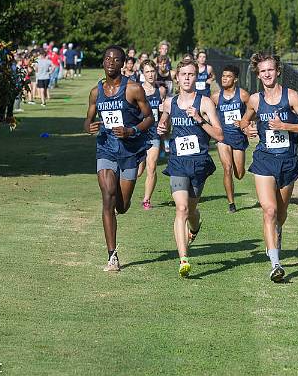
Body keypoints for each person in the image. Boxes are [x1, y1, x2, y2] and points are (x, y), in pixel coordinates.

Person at [238, 52, 298, 283]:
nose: (267, 74)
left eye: (270, 70)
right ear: (258, 74)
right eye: (263, 71)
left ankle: (276, 233)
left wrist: (286, 125)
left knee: (280, 215)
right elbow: (244, 120)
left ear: (278, 71)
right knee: (269, 210)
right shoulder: (255, 100)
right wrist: (247, 129)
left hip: (288, 161)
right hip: (264, 159)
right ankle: (275, 264)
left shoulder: (291, 97)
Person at [84, 46, 155, 272]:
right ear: (103, 61)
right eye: (107, 58)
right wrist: (89, 127)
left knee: (121, 206)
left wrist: (131, 131)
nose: (111, 62)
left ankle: (121, 205)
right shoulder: (96, 92)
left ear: (123, 63)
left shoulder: (133, 89)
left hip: (130, 151)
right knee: (107, 196)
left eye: (116, 59)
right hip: (106, 148)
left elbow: (149, 118)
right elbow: (88, 120)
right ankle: (112, 256)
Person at [157, 56, 224, 278]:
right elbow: (165, 128)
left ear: (197, 77)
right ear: (177, 77)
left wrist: (199, 120)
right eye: (183, 74)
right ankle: (183, 259)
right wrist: (162, 129)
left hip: (199, 162)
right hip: (177, 162)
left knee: (192, 210)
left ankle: (194, 228)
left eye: (191, 74)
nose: (187, 78)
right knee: (182, 209)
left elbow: (219, 134)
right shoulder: (169, 102)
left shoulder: (204, 103)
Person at [211, 64, 250, 213]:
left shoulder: (243, 95)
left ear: (235, 79)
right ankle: (231, 204)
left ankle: (237, 170)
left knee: (239, 174)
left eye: (228, 76)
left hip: (238, 138)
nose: (225, 79)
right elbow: (207, 112)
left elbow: (254, 111)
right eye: (223, 76)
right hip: (223, 138)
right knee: (227, 168)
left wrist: (245, 122)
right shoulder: (215, 97)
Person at [137, 60, 166, 210]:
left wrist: (163, 130)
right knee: (138, 171)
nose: (151, 74)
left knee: (152, 166)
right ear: (142, 73)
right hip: (139, 134)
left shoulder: (160, 91)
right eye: (147, 72)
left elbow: (163, 114)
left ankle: (146, 199)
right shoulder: (137, 90)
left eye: (152, 71)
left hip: (153, 133)